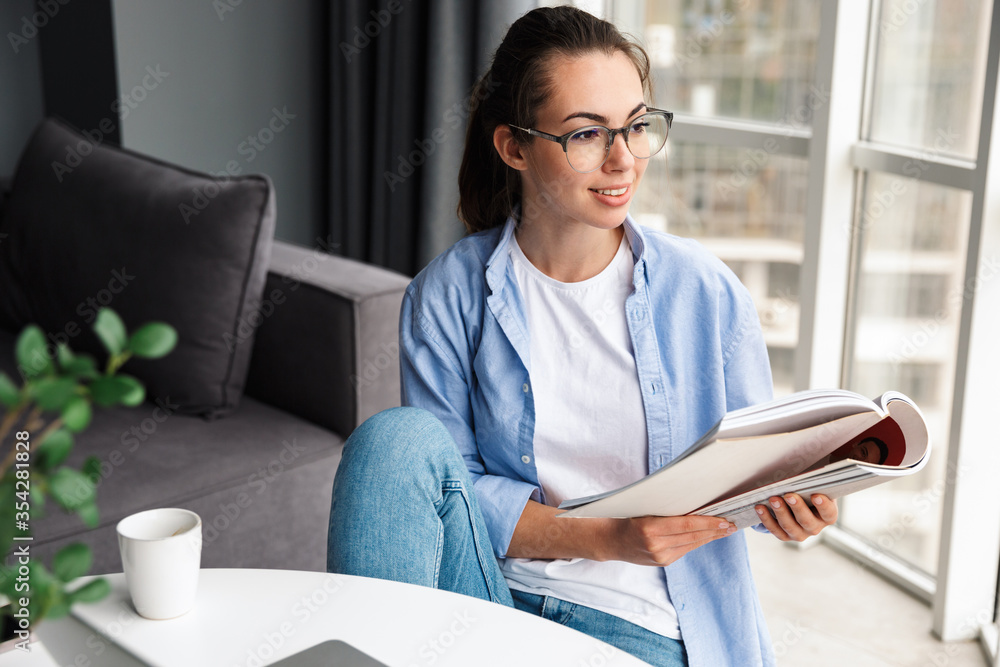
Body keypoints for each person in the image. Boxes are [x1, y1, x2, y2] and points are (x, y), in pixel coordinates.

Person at [327, 6, 838, 666]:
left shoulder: (706, 295)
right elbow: (445, 489)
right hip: (487, 598)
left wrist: (797, 507)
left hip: (642, 626)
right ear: (513, 146)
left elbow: (754, 473)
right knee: (393, 440)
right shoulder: (448, 294)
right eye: (588, 134)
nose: (623, 158)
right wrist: (610, 536)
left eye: (635, 126)